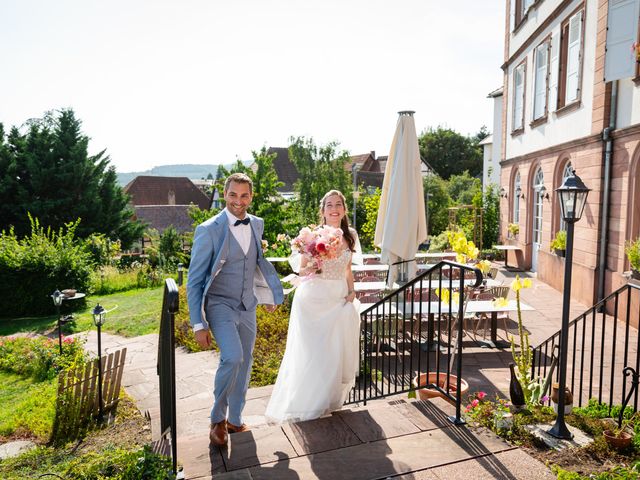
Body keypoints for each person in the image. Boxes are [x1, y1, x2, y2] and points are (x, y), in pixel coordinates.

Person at [187, 172, 284, 446]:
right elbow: (194, 281)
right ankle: (217, 418)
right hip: (219, 303)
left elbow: (255, 264)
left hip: (247, 305)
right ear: (224, 194)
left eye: (244, 196)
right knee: (232, 357)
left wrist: (267, 296)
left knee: (246, 361)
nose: (238, 201)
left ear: (250, 197)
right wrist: (198, 324)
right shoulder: (208, 230)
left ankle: (235, 419)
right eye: (233, 195)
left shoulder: (257, 224)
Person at [265, 189, 361, 423]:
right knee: (313, 353)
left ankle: (326, 401)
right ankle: (306, 404)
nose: (334, 208)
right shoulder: (312, 235)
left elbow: (348, 268)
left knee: (333, 353)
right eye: (329, 205)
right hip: (313, 300)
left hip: (337, 298)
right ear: (323, 210)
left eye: (338, 204)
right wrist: (314, 266)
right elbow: (303, 269)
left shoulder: (351, 236)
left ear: (344, 209)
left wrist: (351, 291)